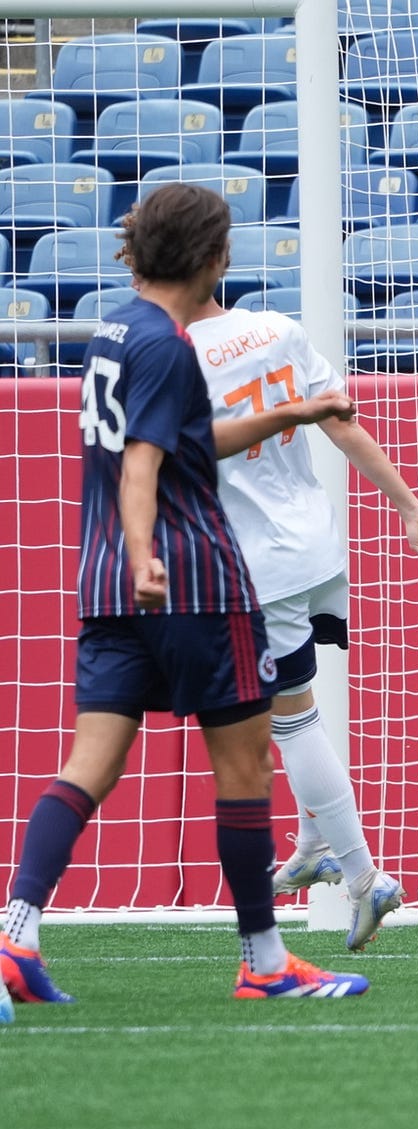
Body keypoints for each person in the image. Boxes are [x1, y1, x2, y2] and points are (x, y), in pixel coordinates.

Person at [0, 183, 369, 1007]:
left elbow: (181, 436)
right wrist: (147, 553)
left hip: (105, 589)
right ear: (213, 259)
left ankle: (14, 934)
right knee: (243, 771)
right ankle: (265, 962)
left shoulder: (114, 330)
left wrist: (298, 412)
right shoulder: (170, 346)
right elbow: (144, 465)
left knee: (88, 767)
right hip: (192, 582)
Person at [188, 288, 418, 952]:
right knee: (298, 708)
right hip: (316, 544)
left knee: (290, 722)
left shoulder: (179, 354)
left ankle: (365, 879)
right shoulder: (277, 327)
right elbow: (341, 421)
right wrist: (408, 506)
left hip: (260, 561)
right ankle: (310, 845)